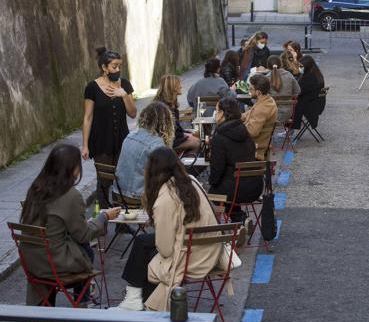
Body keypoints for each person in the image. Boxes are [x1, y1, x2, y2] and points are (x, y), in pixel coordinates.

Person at [114, 147, 222, 311]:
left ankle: (137, 299)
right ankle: (135, 297)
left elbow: (165, 249)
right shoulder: (191, 180)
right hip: (211, 249)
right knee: (142, 242)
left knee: (150, 252)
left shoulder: (166, 198)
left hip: (192, 257)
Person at [20, 144, 121, 306]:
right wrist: (104, 217)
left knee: (71, 245)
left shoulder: (35, 188)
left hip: (32, 262)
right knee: (86, 250)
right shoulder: (71, 195)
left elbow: (54, 224)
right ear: (72, 168)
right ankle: (81, 303)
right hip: (53, 265)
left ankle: (47, 306)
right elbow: (83, 234)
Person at [82, 47, 137, 208]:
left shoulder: (125, 84)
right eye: (114, 66)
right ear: (104, 68)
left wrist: (124, 94)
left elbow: (133, 113)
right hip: (100, 141)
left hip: (122, 140)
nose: (118, 70)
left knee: (122, 179)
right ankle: (103, 221)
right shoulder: (92, 88)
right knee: (104, 180)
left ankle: (122, 220)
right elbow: (88, 117)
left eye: (120, 66)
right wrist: (85, 145)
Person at [208, 97, 263, 222]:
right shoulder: (245, 130)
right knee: (227, 185)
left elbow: (217, 170)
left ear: (222, 113)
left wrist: (211, 183)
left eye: (216, 111)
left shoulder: (220, 136)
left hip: (236, 190)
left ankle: (232, 222)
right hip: (255, 187)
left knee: (210, 194)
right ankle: (239, 218)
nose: (215, 114)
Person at [114, 102, 175, 200]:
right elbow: (164, 176)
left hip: (118, 193)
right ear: (166, 123)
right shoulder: (157, 144)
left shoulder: (130, 136)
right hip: (137, 196)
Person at [153, 75, 201, 153]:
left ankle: (182, 162)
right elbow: (167, 132)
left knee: (196, 136)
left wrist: (186, 133)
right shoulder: (163, 107)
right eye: (179, 84)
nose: (181, 86)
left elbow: (175, 129)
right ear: (173, 87)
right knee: (196, 142)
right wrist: (186, 134)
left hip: (170, 137)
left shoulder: (170, 103)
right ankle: (184, 164)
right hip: (164, 141)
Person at [242, 75, 277, 160]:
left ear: (258, 92)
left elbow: (252, 132)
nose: (249, 91)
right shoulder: (266, 100)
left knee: (221, 143)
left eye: (251, 89)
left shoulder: (263, 108)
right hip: (254, 144)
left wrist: (234, 129)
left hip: (255, 149)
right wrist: (233, 116)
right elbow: (247, 115)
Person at [293, 55, 325, 134]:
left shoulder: (309, 78)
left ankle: (290, 130)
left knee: (290, 104)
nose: (300, 68)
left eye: (301, 66)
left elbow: (298, 91)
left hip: (310, 105)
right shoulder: (316, 74)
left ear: (307, 66)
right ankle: (290, 130)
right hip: (316, 103)